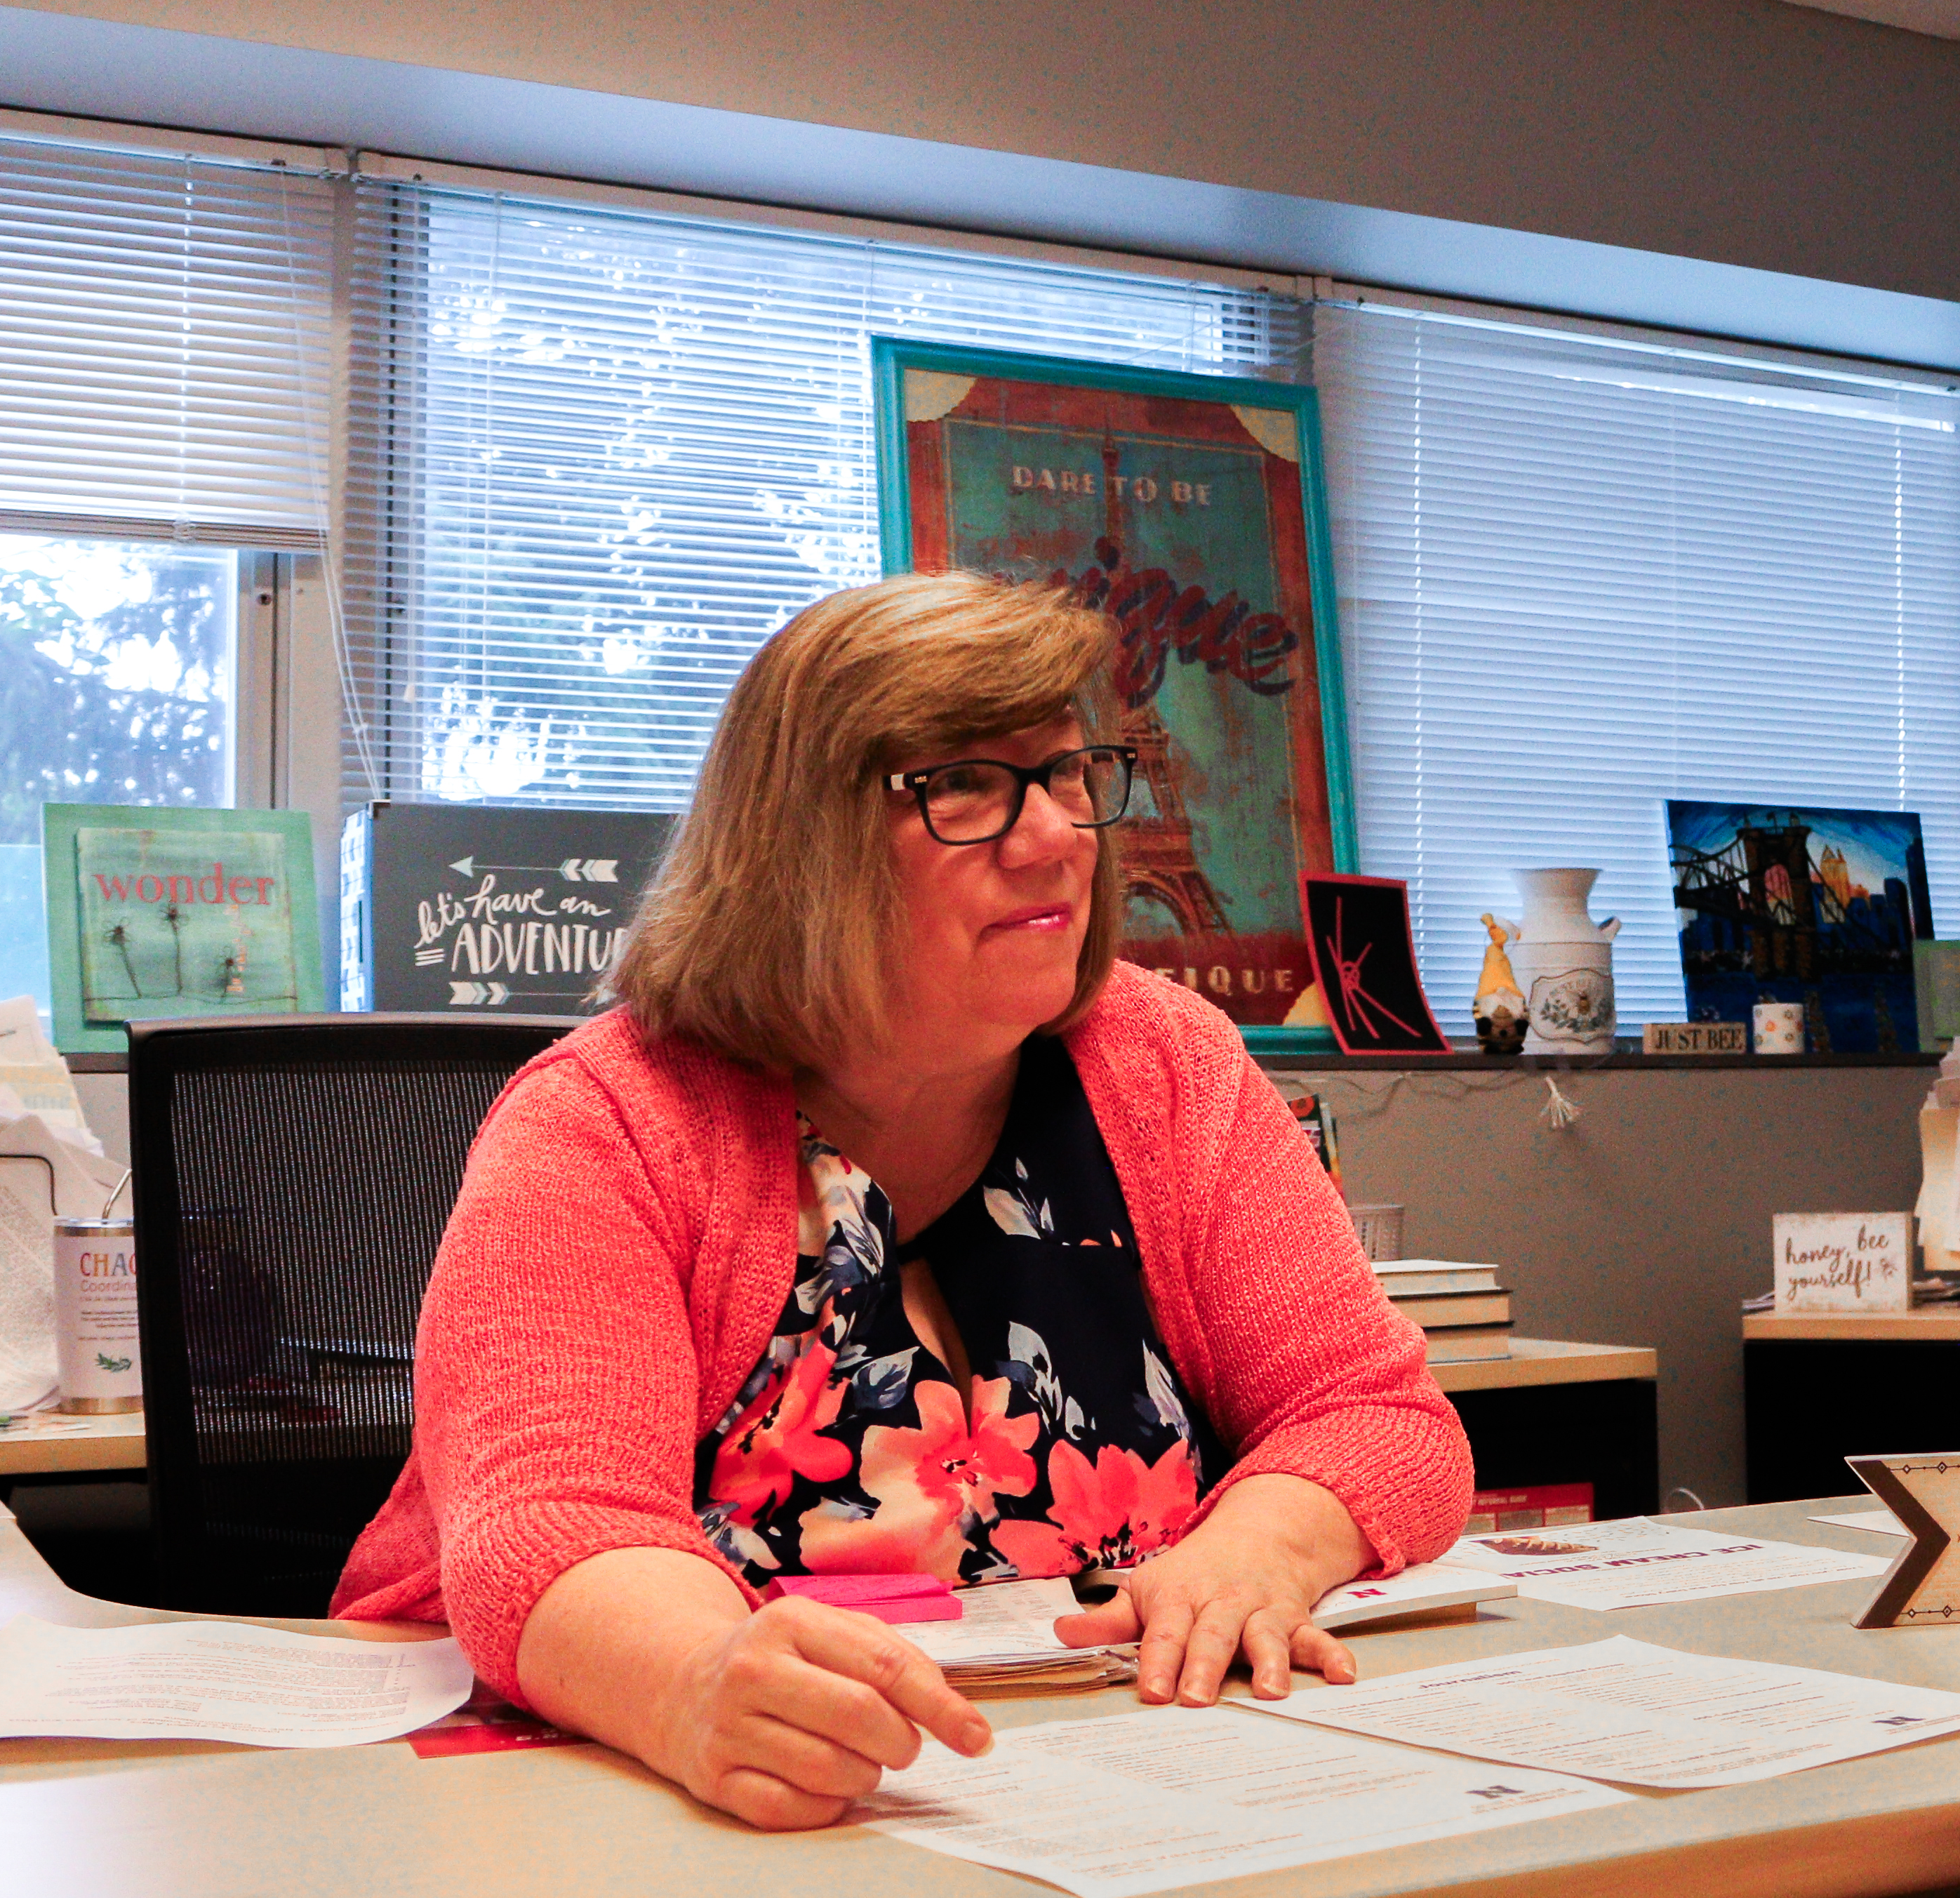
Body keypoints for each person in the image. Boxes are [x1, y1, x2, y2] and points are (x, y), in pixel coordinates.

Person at [334, 571, 1472, 1830]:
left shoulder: (1166, 1063)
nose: (1054, 836)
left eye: (1068, 772)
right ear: (800, 848)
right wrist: (696, 1683)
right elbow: (547, 1528)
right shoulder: (608, 1121)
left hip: (1147, 1787)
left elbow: (1375, 1417)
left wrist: (1251, 1555)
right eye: (966, 787)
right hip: (681, 1816)